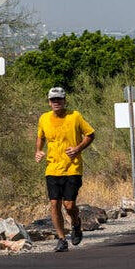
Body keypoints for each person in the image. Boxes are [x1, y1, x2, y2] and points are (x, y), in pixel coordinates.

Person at [35, 87, 95, 252]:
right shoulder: (44, 118)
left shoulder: (75, 116)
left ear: (64, 100)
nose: (56, 102)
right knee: (54, 203)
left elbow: (90, 134)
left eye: (59, 99)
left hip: (72, 168)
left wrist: (77, 148)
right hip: (52, 168)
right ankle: (61, 239)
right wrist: (39, 151)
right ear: (49, 102)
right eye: (53, 100)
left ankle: (76, 224)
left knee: (69, 206)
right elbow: (40, 137)